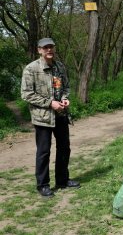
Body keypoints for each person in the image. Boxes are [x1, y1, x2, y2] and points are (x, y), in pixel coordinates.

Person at [21, 37, 80, 197]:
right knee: (43, 152)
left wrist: (65, 99)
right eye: (45, 47)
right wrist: (49, 103)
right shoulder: (31, 69)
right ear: (39, 50)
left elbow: (66, 87)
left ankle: (62, 180)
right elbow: (26, 94)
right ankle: (43, 185)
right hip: (43, 118)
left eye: (51, 47)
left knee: (64, 148)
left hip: (60, 115)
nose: (49, 50)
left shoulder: (59, 66)